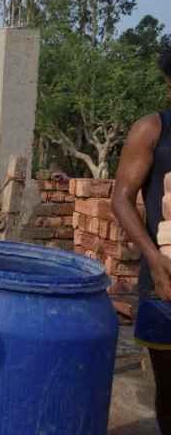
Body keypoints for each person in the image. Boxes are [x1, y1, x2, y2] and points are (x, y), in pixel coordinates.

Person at [111, 41, 171, 434]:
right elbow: (120, 198)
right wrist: (152, 257)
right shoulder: (153, 129)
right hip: (165, 278)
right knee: (169, 388)